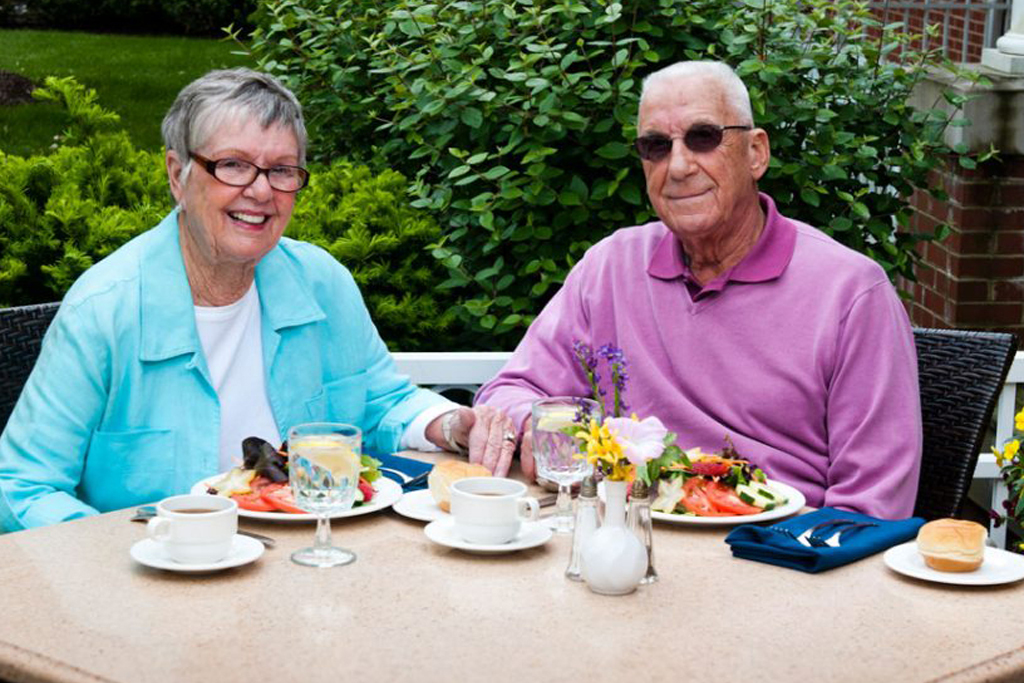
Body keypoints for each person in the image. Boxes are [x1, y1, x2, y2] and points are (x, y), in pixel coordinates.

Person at [0, 68, 516, 531]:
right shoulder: (104, 311)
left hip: (313, 561)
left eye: (282, 170)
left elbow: (382, 400)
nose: (261, 190)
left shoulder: (321, 281)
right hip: (162, 585)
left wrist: (449, 424)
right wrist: (140, 552)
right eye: (233, 165)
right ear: (177, 175)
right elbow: (20, 486)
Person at [475, 61, 922, 519]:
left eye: (703, 137)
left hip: (780, 554)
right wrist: (540, 425)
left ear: (756, 153)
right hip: (622, 539)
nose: (679, 166)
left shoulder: (851, 294)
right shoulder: (611, 267)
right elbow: (512, 389)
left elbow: (873, 505)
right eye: (656, 147)